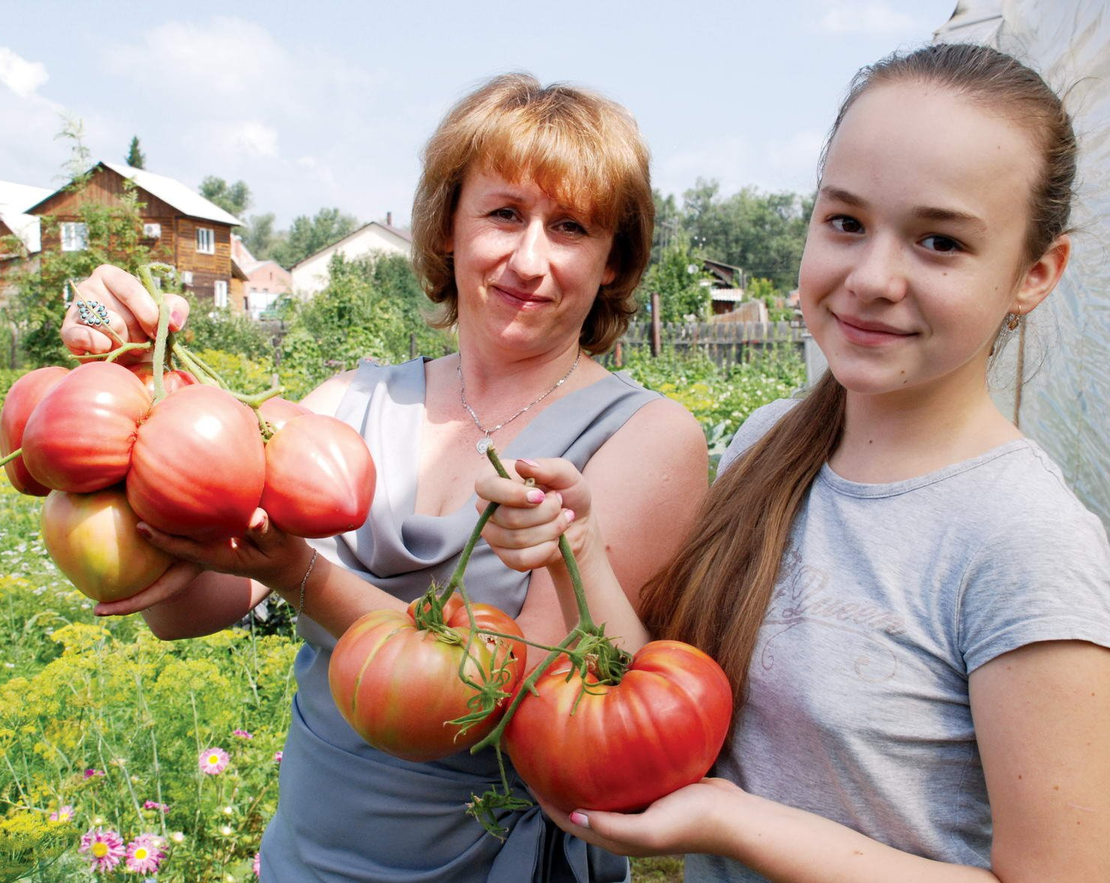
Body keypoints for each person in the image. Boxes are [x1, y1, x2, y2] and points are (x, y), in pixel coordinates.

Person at [476, 43, 1110, 882]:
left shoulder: (1025, 542)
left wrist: (740, 824)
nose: (873, 278)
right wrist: (578, 546)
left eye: (940, 241)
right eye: (846, 221)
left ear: (1036, 273)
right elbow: (670, 700)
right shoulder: (771, 441)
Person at [60, 73, 708, 882]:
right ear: (446, 228)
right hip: (304, 861)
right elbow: (189, 607)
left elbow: (524, 706)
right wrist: (129, 384)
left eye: (571, 226)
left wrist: (304, 577)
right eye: (504, 213)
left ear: (614, 261)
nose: (529, 257)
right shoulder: (348, 402)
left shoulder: (648, 437)